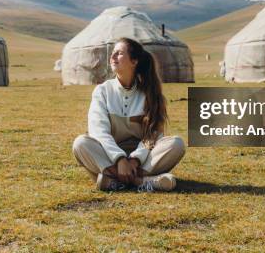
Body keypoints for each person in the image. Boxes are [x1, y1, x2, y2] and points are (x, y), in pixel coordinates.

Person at [72, 37, 186, 192]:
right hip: (108, 154)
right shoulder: (103, 91)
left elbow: (151, 136)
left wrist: (134, 160)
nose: (112, 57)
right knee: (81, 143)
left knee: (176, 144)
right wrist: (119, 159)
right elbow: (98, 131)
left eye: (119, 53)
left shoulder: (149, 94)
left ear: (134, 61)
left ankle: (113, 181)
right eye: (112, 53)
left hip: (143, 158)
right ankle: (142, 182)